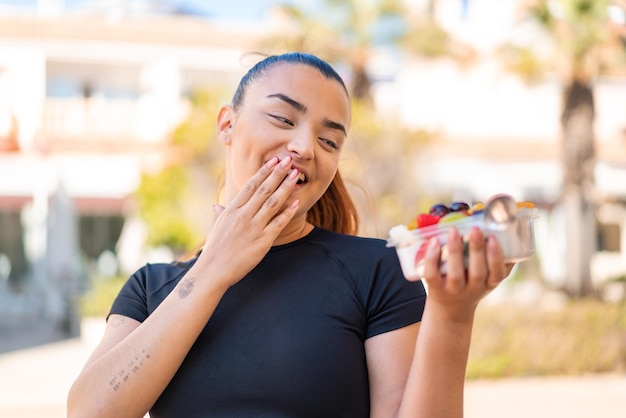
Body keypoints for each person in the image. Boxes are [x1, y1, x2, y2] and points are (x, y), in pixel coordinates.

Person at [67, 52, 512, 418]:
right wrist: (214, 268)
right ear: (226, 124)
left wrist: (452, 315)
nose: (304, 147)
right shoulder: (151, 287)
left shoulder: (377, 270)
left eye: (329, 141)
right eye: (283, 118)